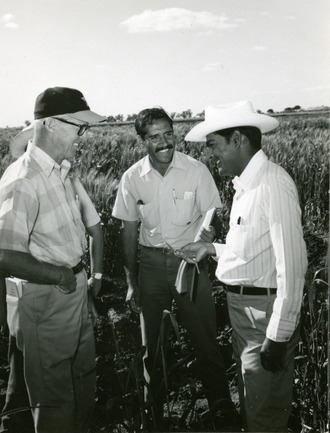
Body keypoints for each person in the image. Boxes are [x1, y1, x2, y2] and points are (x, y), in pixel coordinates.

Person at [178, 100, 308, 432]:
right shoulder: (246, 187)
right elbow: (252, 250)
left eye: (214, 145)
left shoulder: (272, 184)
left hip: (263, 317)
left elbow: (291, 266)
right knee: (253, 405)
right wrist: (211, 248)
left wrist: (278, 336)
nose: (211, 154)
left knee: (264, 414)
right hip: (244, 313)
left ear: (237, 140)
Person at [112, 107, 236, 430]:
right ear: (143, 141)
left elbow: (213, 214)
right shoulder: (131, 179)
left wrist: (209, 233)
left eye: (168, 133)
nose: (165, 142)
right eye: (155, 136)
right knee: (151, 346)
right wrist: (130, 282)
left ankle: (222, 408)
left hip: (191, 263)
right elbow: (127, 231)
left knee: (206, 338)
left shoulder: (196, 171)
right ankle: (152, 415)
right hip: (150, 266)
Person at [0, 87, 106, 433]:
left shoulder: (60, 173)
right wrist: (61, 277)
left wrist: (79, 283)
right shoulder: (22, 179)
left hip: (71, 291)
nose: (82, 137)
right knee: (55, 400)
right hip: (47, 298)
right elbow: (4, 255)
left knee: (82, 380)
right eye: (79, 127)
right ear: (51, 125)